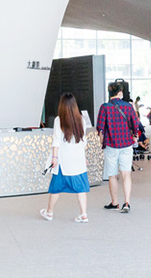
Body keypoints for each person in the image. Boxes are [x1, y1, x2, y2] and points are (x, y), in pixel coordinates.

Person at [40, 92, 92, 222]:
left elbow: (56, 141)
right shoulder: (81, 119)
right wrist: (83, 157)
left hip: (63, 160)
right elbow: (83, 141)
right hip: (78, 160)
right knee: (81, 188)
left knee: (56, 187)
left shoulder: (59, 120)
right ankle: (83, 214)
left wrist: (54, 158)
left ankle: (49, 212)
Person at [96, 78, 144, 213]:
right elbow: (136, 124)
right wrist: (135, 135)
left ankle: (115, 202)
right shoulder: (128, 106)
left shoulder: (104, 107)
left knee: (112, 175)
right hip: (126, 144)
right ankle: (127, 203)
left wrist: (101, 143)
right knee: (126, 174)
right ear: (120, 93)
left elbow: (100, 128)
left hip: (111, 145)